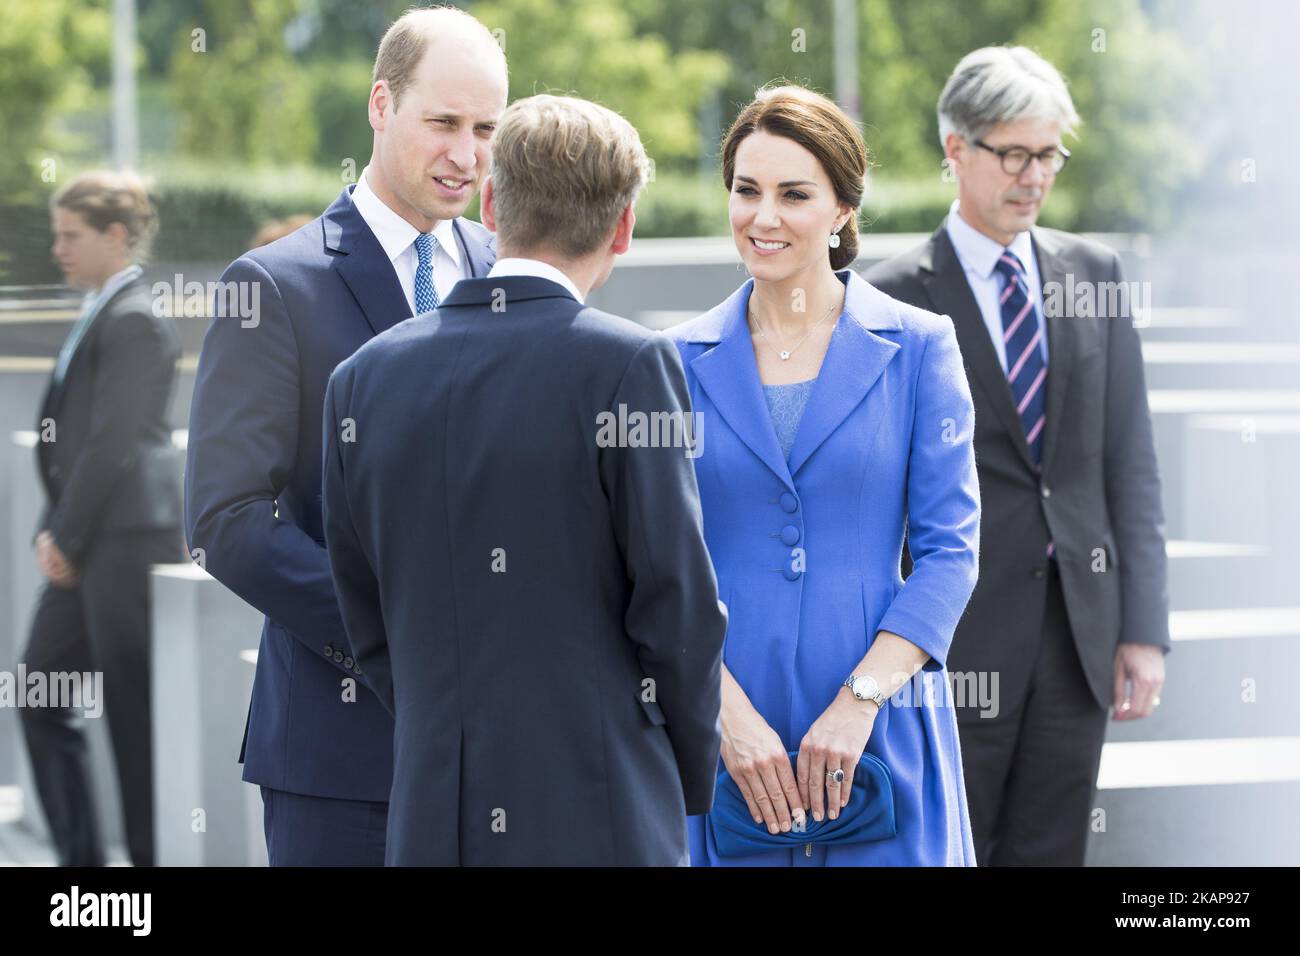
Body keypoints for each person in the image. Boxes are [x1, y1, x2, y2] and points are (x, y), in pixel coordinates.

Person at [321, 94, 728, 866]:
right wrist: (676, 775)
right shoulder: (631, 366)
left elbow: (362, 612)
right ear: (624, 227)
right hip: (602, 809)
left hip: (431, 812)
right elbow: (678, 606)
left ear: (491, 202)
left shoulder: (361, 380)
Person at [184, 7, 505, 866]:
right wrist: (397, 628)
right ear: (379, 106)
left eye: (485, 129)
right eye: (442, 122)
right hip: (344, 757)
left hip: (500, 759)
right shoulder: (275, 286)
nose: (467, 156)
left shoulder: (504, 265)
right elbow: (225, 521)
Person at [865, 46, 1170, 866]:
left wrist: (1143, 630)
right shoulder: (892, 296)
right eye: (1015, 154)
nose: (1035, 176)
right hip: (953, 638)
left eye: (1050, 155)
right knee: (949, 847)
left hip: (1079, 636)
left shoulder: (1096, 274)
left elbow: (1129, 463)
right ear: (956, 149)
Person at [669, 85, 981, 866]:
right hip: (725, 741)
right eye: (746, 191)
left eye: (793, 194)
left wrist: (859, 703)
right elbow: (651, 567)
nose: (762, 217)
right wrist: (725, 718)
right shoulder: (670, 362)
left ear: (843, 208)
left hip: (881, 728)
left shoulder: (920, 348)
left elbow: (950, 553)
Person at [21, 170, 182, 866]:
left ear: (116, 236)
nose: (58, 248)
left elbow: (113, 440)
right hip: (86, 543)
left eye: (71, 235)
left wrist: (66, 534)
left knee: (131, 719)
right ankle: (82, 869)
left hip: (120, 545)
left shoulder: (135, 317)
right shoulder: (103, 309)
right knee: (37, 691)